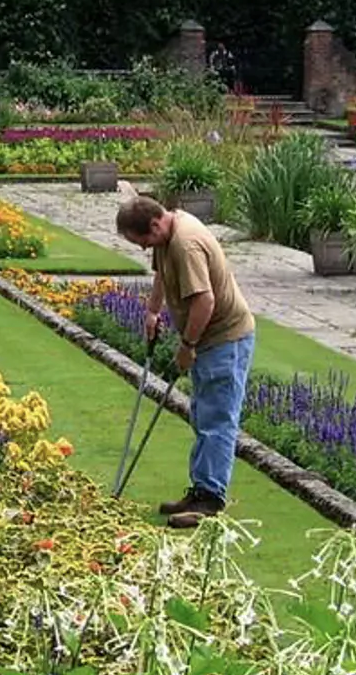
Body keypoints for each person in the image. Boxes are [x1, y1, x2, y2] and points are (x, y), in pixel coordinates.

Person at [115, 196, 255, 528]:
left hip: (225, 339)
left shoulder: (185, 244)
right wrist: (152, 310)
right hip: (211, 340)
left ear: (154, 225)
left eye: (143, 241)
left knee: (218, 419)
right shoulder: (167, 232)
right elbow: (162, 274)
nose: (144, 248)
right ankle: (200, 489)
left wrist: (187, 345)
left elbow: (204, 301)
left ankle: (210, 500)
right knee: (202, 415)